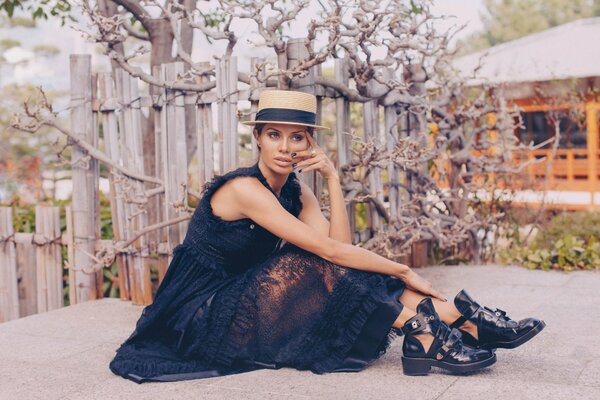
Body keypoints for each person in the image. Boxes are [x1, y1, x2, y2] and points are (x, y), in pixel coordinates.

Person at [109, 90, 545, 383]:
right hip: (200, 315)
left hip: (245, 298)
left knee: (330, 262)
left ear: (307, 145)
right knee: (307, 258)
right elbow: (326, 250)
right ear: (257, 138)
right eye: (274, 135)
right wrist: (402, 268)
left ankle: (442, 326)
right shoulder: (242, 189)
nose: (285, 147)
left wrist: (333, 180)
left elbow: (341, 250)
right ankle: (455, 321)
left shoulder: (295, 192)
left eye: (295, 137)